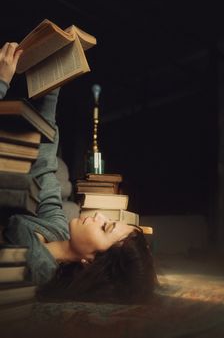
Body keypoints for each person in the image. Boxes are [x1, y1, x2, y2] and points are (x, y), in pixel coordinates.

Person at [0, 42, 157, 304]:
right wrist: (53, 85)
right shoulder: (58, 230)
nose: (96, 215)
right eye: (106, 219)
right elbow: (45, 168)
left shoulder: (31, 270)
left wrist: (2, 83)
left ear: (91, 262)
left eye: (105, 227)